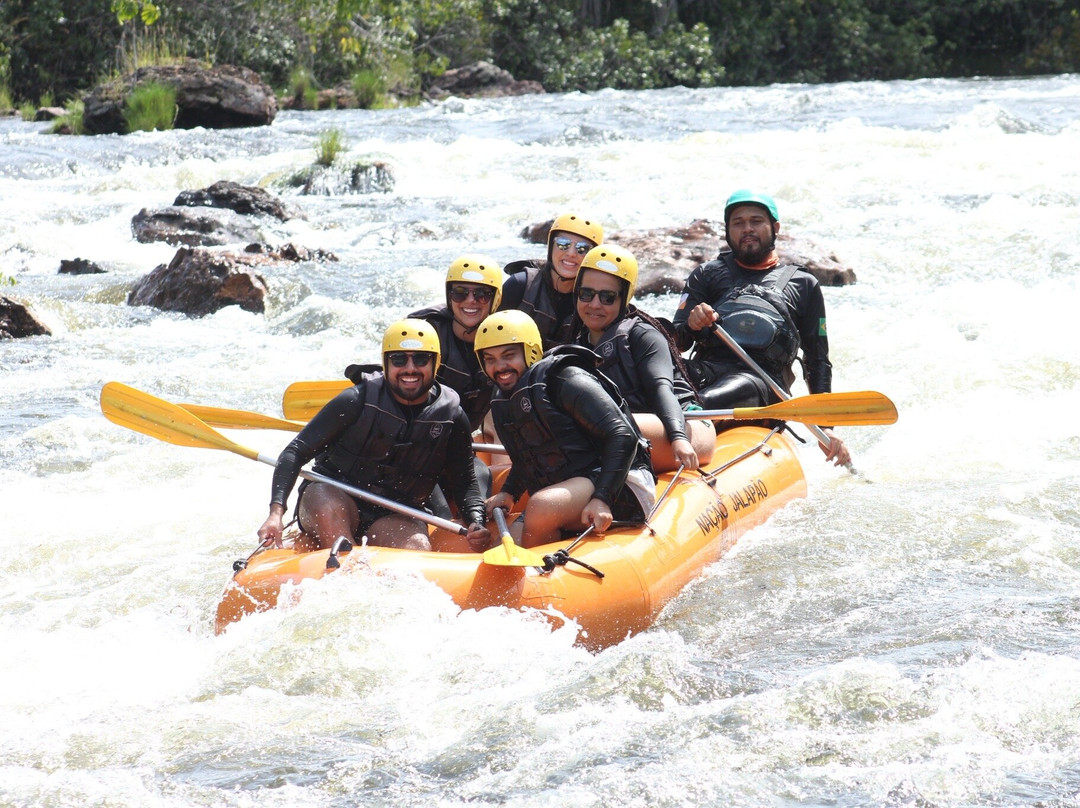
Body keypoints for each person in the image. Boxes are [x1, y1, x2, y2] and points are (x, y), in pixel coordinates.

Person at [257, 319, 491, 552]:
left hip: (395, 512)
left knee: (416, 547)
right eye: (399, 359)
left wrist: (475, 520)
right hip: (334, 495)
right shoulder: (354, 401)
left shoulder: (451, 415)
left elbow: (465, 480)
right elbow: (294, 452)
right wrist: (276, 513)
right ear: (385, 363)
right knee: (331, 514)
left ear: (436, 363)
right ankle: (341, 564)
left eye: (420, 359)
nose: (410, 368)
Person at [671, 189, 850, 466]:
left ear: (774, 227)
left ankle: (679, 433)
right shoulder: (707, 274)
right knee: (652, 382)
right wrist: (692, 324)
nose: (747, 229)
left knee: (701, 402)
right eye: (738, 223)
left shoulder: (803, 284)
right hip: (706, 369)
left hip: (761, 385)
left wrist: (825, 427)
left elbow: (817, 359)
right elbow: (677, 342)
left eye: (756, 221)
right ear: (728, 231)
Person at [475, 310, 656, 548]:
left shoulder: (564, 378)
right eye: (490, 359)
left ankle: (539, 576)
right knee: (502, 544)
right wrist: (510, 492)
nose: (500, 366)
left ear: (529, 352)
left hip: (622, 481)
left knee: (541, 506)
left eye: (508, 355)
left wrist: (602, 498)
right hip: (572, 484)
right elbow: (530, 454)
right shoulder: (505, 398)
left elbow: (623, 436)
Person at [572, 243, 715, 473]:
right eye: (586, 294)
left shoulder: (643, 335)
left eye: (607, 297)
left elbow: (662, 389)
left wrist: (678, 437)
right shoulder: (578, 346)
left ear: (624, 298)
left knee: (612, 425)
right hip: (628, 432)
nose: (594, 304)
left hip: (686, 425)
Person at [408, 254, 503, 431]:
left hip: (465, 436)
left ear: (495, 299)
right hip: (421, 434)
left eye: (482, 294)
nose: (470, 300)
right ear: (449, 296)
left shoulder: (506, 336)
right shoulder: (424, 333)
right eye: (460, 293)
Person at [498, 212, 604, 350]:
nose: (571, 253)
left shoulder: (597, 301)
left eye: (582, 248)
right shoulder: (520, 285)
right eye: (563, 244)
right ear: (550, 247)